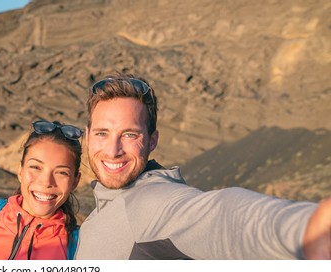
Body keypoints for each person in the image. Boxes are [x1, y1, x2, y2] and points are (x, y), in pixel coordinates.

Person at [74, 73, 331, 259]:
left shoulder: (150, 201)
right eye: (102, 133)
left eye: (130, 135)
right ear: (87, 134)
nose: (112, 150)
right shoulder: (95, 217)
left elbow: (221, 214)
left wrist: (303, 227)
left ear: (152, 140)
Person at [0, 120, 82, 260]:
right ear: (20, 171)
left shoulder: (78, 247)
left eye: (61, 173)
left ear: (75, 182)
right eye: (35, 167)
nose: (46, 182)